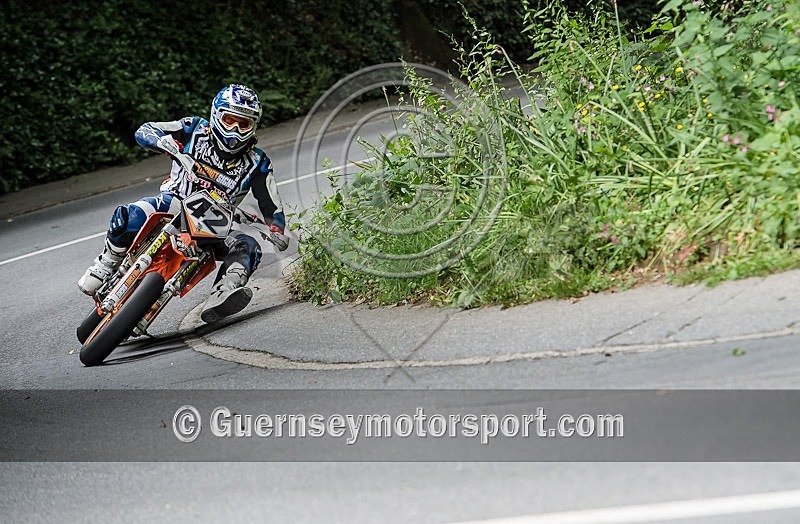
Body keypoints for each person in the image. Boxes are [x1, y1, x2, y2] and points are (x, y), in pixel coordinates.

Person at [78, 84, 287, 323]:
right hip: (174, 203)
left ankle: (222, 293)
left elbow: (270, 201)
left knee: (248, 246)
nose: (235, 130)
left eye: (244, 124)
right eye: (229, 120)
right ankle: (106, 263)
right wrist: (161, 141)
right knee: (131, 213)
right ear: (216, 115)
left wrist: (276, 227)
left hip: (215, 225)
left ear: (253, 126)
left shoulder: (258, 162)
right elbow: (146, 130)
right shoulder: (193, 128)